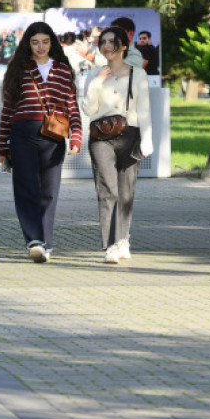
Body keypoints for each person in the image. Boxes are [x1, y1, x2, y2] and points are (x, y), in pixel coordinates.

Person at [0, 22, 83, 263]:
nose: (40, 47)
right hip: (22, 133)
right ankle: (34, 241)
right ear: (28, 44)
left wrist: (76, 135)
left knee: (49, 191)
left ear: (52, 43)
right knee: (26, 188)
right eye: (35, 42)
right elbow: (8, 109)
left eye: (45, 42)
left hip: (53, 135)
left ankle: (46, 242)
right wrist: (2, 145)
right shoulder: (18, 69)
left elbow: (71, 106)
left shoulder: (63, 71)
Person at [81, 25, 154, 264]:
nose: (107, 46)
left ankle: (123, 239)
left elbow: (144, 109)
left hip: (130, 135)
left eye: (112, 42)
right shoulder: (94, 74)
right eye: (103, 42)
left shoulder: (137, 74)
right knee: (107, 190)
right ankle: (111, 245)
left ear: (123, 46)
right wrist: (97, 81)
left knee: (126, 193)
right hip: (100, 136)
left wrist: (147, 141)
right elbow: (88, 108)